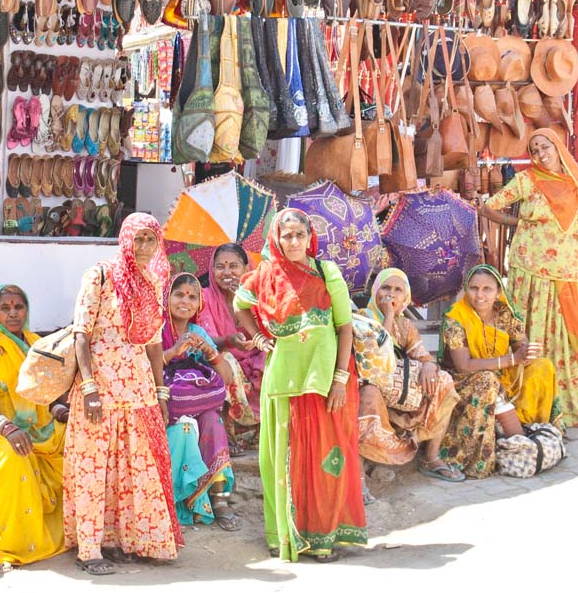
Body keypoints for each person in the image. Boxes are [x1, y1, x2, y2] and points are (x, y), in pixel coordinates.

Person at [232, 209, 367, 562]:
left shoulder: (326, 272)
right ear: (276, 238)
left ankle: (322, 537)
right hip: (283, 382)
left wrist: (340, 379)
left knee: (326, 460)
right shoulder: (263, 276)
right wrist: (258, 337)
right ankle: (284, 536)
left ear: (310, 238)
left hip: (322, 383)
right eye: (287, 235)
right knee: (282, 463)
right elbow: (239, 305)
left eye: (299, 235)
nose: (293, 241)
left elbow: (345, 328)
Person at [64, 213, 182, 575]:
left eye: (151, 239)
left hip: (138, 390)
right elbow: (81, 334)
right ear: (125, 239)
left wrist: (161, 393)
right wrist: (89, 388)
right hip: (99, 387)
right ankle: (89, 549)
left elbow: (154, 344)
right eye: (138, 238)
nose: (144, 246)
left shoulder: (153, 281)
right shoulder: (100, 275)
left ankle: (118, 539)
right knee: (93, 467)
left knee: (132, 468)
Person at [479, 128, 578, 429]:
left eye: (545, 147)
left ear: (557, 147)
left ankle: (573, 404)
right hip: (529, 276)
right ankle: (532, 407)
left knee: (571, 342)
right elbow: (488, 208)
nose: (541, 154)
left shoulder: (576, 183)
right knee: (531, 338)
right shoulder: (527, 180)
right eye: (535, 150)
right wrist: (519, 222)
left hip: (565, 275)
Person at [0, 285, 67, 572]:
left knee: (81, 443)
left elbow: (49, 392)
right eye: (5, 307)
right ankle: (1, 548)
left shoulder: (36, 342)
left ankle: (88, 533)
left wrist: (59, 410)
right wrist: (7, 428)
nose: (12, 313)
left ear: (27, 310)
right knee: (12, 456)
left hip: (38, 426)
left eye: (18, 307)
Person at [438, 264, 556, 478]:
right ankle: (513, 442)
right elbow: (463, 365)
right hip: (464, 379)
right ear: (466, 289)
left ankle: (531, 427)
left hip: (502, 373)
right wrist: (511, 359)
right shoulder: (456, 317)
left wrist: (527, 352)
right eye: (474, 288)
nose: (479, 295)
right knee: (488, 379)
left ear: (498, 292)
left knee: (543, 367)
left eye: (487, 289)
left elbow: (521, 347)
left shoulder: (504, 313)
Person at [350, 267, 461, 482]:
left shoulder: (405, 325)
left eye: (398, 290)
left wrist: (428, 365)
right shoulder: (362, 318)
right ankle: (359, 477)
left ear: (405, 297)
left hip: (398, 389)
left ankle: (431, 457)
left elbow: (423, 356)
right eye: (385, 288)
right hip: (368, 384)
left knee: (443, 381)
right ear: (375, 291)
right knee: (370, 394)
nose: (391, 294)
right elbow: (377, 353)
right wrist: (388, 316)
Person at [161, 273, 238, 530]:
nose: (185, 301)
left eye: (192, 297)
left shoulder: (197, 332)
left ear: (199, 304)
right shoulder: (156, 330)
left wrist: (208, 351)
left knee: (213, 422)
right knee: (183, 427)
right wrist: (174, 352)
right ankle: (175, 501)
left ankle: (219, 498)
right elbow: (142, 367)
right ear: (166, 298)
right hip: (163, 403)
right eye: (179, 294)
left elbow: (227, 378)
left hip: (195, 402)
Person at [195, 243, 263, 436]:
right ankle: (226, 431)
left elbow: (269, 331)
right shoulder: (205, 297)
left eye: (233, 266)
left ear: (246, 269)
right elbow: (207, 341)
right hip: (225, 363)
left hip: (257, 360)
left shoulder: (258, 296)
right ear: (212, 270)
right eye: (220, 267)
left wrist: (242, 299)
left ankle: (264, 428)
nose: (226, 272)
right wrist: (229, 341)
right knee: (225, 359)